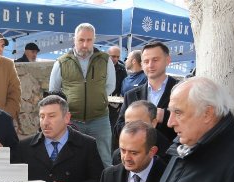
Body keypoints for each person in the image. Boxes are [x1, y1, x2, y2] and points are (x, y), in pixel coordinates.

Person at [49, 23, 115, 168]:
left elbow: (110, 86)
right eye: (81, 40)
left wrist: (97, 99)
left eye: (89, 40)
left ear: (94, 40)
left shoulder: (105, 60)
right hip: (72, 120)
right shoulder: (61, 62)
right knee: (71, 159)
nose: (85, 44)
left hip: (100, 119)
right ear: (74, 39)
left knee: (105, 159)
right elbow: (54, 91)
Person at [115, 41, 178, 142]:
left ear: (167, 60)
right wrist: (136, 122)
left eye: (155, 60)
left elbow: (190, 123)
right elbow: (118, 128)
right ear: (141, 64)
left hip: (170, 150)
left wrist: (165, 116)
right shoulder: (131, 95)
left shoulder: (181, 90)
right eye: (146, 61)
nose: (150, 65)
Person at [110, 100, 171, 165]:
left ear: (153, 123)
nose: (132, 128)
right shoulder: (117, 156)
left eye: (138, 124)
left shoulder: (167, 154)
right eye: (128, 124)